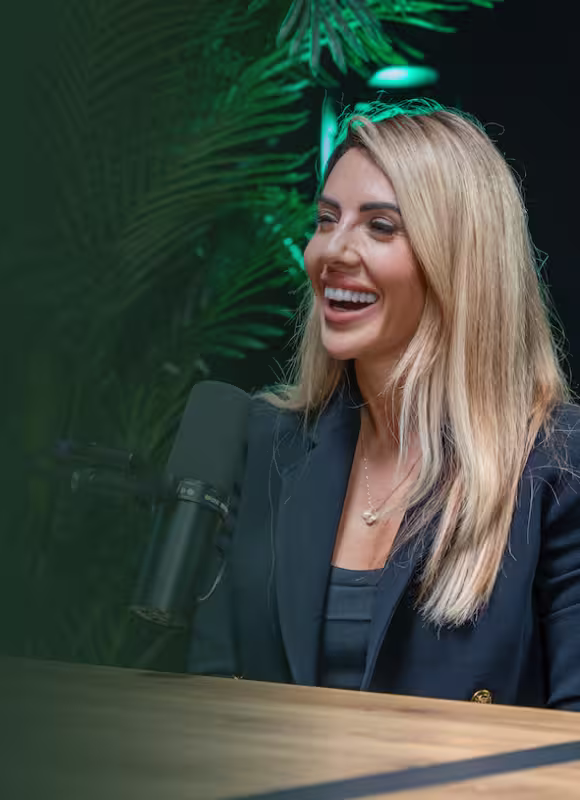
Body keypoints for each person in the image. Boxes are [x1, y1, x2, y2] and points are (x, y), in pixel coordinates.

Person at [187, 99, 580, 711]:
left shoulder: (556, 463)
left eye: (380, 226)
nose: (332, 252)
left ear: (461, 262)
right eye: (326, 219)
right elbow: (206, 702)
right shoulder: (266, 443)